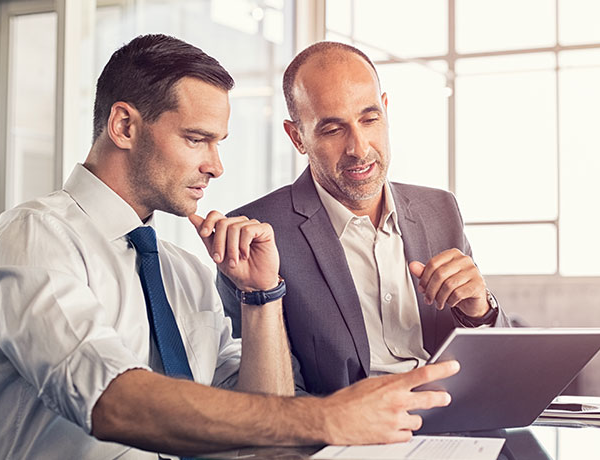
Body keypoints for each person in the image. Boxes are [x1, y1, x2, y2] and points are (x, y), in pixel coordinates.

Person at [0, 34, 458, 459]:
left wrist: (261, 297)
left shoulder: (184, 272)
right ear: (124, 126)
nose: (216, 166)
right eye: (197, 139)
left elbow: (262, 429)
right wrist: (328, 417)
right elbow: (111, 400)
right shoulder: (36, 239)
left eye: (219, 143)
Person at [217, 41, 509, 396]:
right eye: (332, 129)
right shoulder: (257, 232)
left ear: (385, 111)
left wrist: (479, 309)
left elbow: (495, 371)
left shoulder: (440, 209)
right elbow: (265, 397)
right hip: (343, 438)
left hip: (452, 424)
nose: (359, 147)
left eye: (369, 119)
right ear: (298, 138)